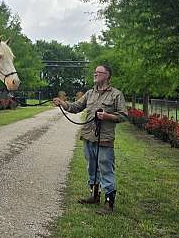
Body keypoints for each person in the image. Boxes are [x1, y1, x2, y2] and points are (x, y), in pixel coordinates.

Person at [53, 65, 127, 215]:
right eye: (95, 72)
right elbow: (76, 107)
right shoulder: (89, 93)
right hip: (88, 137)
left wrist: (108, 116)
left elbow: (124, 115)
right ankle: (94, 196)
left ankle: (108, 202)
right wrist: (63, 103)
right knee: (91, 168)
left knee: (106, 169)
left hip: (104, 139)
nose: (95, 74)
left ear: (107, 75)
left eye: (98, 72)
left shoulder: (116, 94)